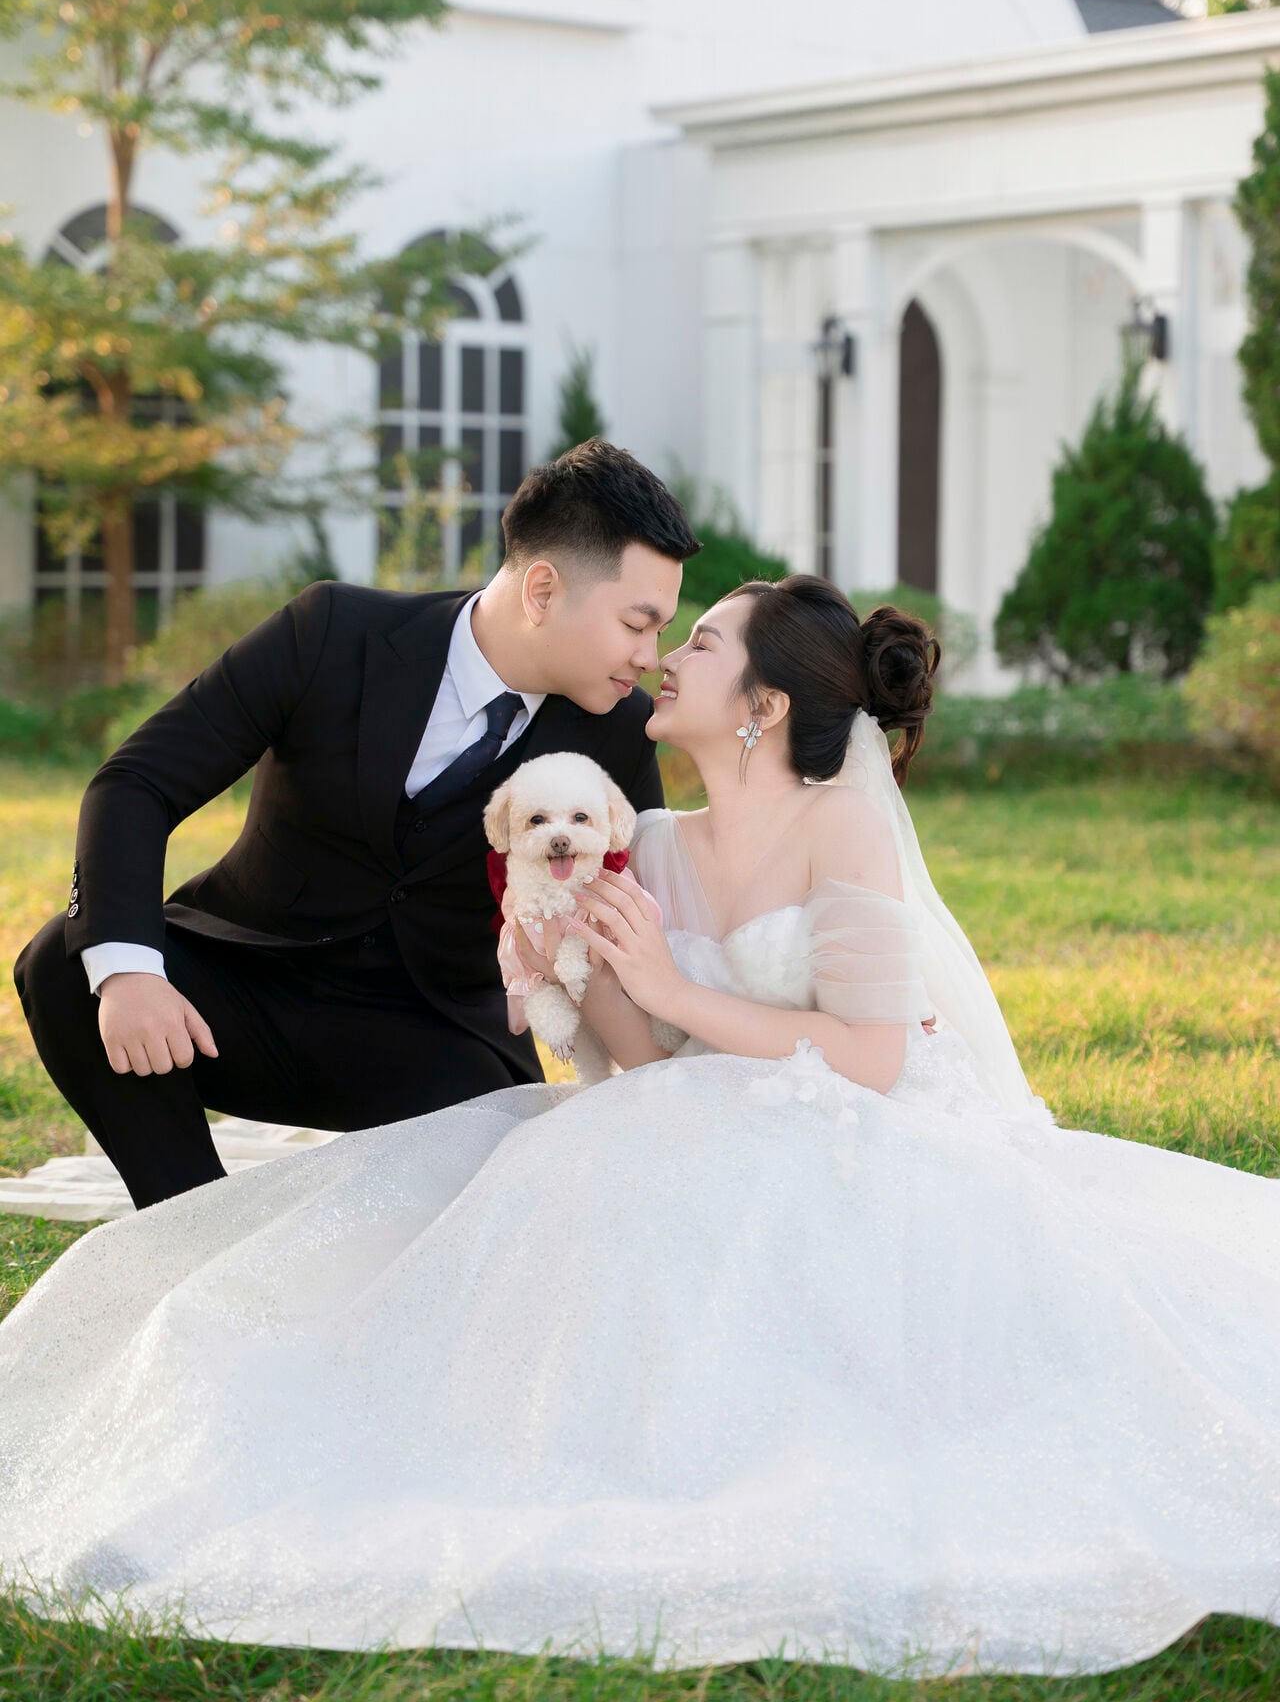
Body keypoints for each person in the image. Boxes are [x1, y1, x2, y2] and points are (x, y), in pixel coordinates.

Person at [2, 574, 1278, 1681]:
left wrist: (669, 986)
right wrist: (569, 966)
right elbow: (638, 1063)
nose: (665, 655)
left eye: (700, 641)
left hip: (849, 1124)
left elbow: (871, 1056)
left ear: (761, 705)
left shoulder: (839, 821)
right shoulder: (649, 842)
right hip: (690, 1110)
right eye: (662, 627)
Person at [11, 440, 697, 1210]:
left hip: (436, 1040)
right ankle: (189, 1228)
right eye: (637, 624)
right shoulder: (333, 631)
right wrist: (133, 973)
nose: (650, 655)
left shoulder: (618, 731)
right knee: (70, 961)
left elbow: (640, 912)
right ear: (542, 589)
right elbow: (138, 781)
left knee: (491, 1204)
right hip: (249, 990)